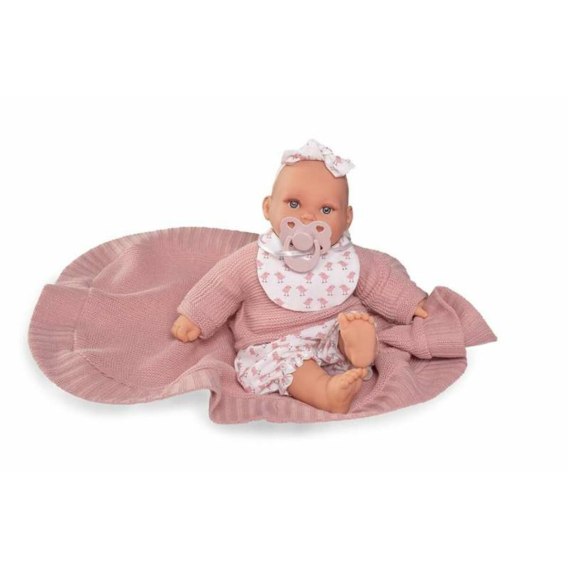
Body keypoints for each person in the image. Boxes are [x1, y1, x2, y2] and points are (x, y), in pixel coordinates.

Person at [171, 139, 428, 414]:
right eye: (293, 203)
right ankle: (326, 391)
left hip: (333, 331)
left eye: (326, 210)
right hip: (275, 341)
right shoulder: (256, 257)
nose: (307, 217)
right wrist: (195, 315)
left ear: (347, 218)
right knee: (284, 363)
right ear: (268, 207)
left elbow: (381, 280)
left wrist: (409, 303)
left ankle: (356, 345)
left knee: (352, 324)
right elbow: (222, 285)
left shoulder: (348, 257)